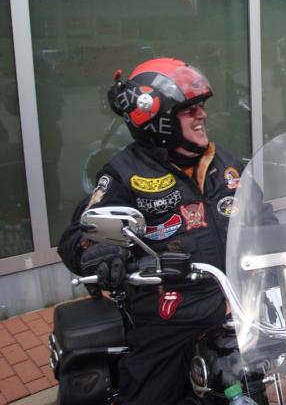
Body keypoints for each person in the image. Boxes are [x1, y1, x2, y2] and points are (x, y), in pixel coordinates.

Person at [57, 58, 246, 405]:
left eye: (201, 106)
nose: (202, 115)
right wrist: (96, 252)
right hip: (168, 320)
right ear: (158, 120)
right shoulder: (124, 174)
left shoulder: (226, 163)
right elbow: (78, 236)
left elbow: (262, 219)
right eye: (189, 110)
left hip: (237, 310)